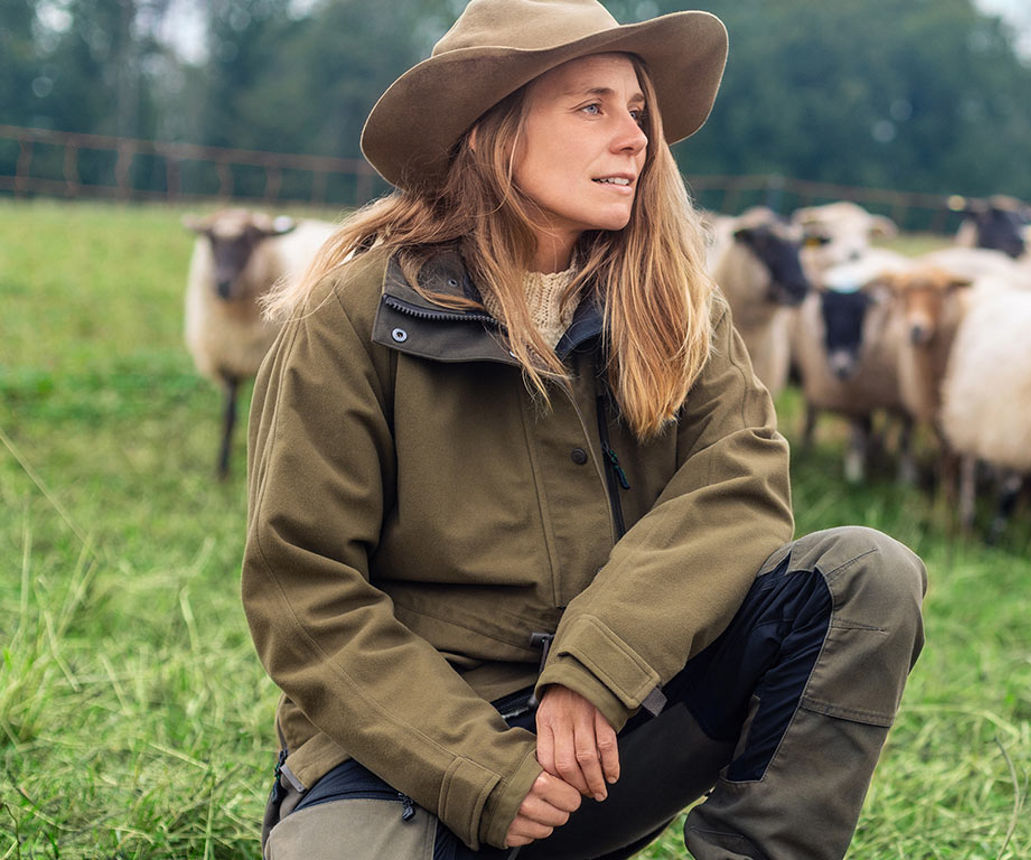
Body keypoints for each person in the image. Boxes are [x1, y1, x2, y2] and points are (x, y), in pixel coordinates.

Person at [241, 0, 927, 857]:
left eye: (638, 111)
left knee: (864, 575)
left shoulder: (676, 307)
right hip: (405, 750)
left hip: (613, 731)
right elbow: (303, 592)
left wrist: (597, 671)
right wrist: (482, 768)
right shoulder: (355, 317)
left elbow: (739, 486)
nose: (636, 137)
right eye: (592, 107)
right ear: (494, 131)